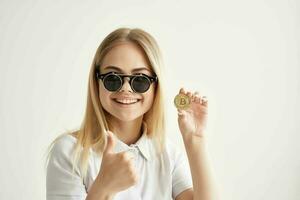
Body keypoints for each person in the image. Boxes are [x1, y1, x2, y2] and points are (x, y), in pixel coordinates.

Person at [45, 27, 219, 200]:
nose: (126, 88)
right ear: (96, 82)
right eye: (113, 78)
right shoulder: (69, 152)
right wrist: (103, 187)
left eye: (140, 79)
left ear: (156, 86)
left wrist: (195, 140)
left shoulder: (168, 154)